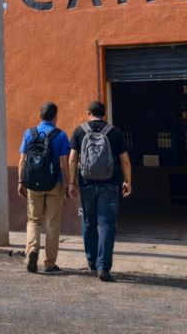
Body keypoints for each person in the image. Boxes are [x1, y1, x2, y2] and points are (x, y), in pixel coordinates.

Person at [70, 100, 131, 282]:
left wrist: (72, 183)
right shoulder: (114, 132)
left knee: (89, 222)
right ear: (104, 114)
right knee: (107, 225)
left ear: (88, 113)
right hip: (110, 184)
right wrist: (128, 181)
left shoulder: (79, 131)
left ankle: (92, 262)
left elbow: (73, 158)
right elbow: (125, 160)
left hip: (86, 183)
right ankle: (103, 267)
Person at [17, 101, 73, 273]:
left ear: (39, 115)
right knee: (52, 223)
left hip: (33, 184)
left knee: (34, 220)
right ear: (55, 116)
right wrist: (69, 183)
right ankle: (49, 263)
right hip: (54, 183)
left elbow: (22, 160)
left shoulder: (29, 133)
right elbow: (64, 162)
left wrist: (20, 182)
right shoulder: (61, 135)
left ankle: (32, 250)